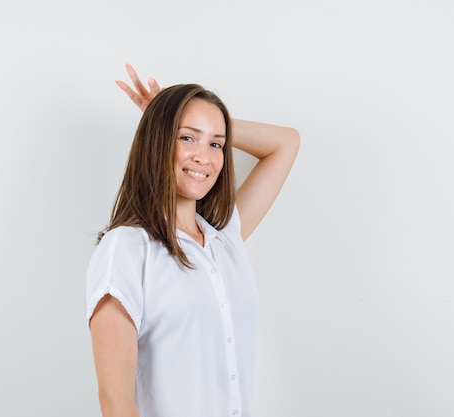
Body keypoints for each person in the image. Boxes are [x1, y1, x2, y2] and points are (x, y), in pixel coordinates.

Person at [86, 63, 299, 417]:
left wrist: (187, 119)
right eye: (187, 137)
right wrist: (163, 116)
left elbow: (286, 142)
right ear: (158, 141)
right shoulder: (126, 248)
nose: (205, 156)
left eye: (216, 143)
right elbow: (115, 400)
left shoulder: (224, 240)